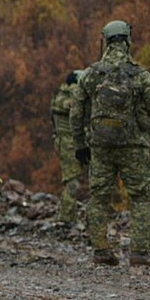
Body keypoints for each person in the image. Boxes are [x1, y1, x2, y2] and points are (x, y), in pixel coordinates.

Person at [71, 20, 150, 266]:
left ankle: (101, 251)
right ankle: (139, 253)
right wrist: (142, 123)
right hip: (134, 147)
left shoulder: (91, 74)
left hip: (100, 147)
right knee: (140, 197)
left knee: (99, 198)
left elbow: (76, 112)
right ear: (128, 41)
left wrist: (80, 145)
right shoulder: (140, 75)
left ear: (105, 41)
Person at [51, 70, 86, 224]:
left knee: (76, 181)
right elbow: (74, 107)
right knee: (72, 183)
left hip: (73, 143)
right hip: (68, 144)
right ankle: (66, 218)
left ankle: (69, 217)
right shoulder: (65, 98)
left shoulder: (63, 96)